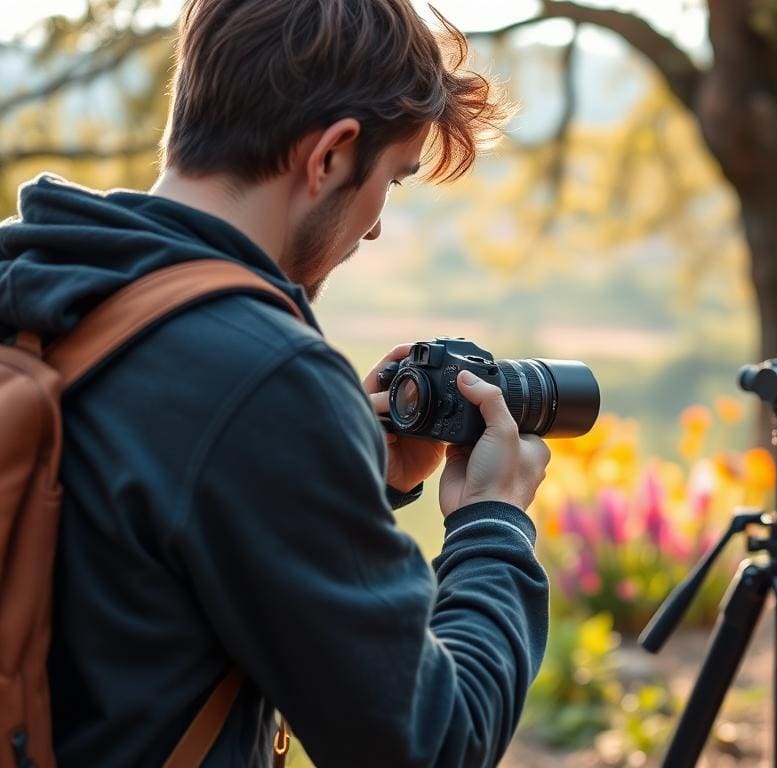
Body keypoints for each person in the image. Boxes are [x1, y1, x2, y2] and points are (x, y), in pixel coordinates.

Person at [0, 1, 551, 766]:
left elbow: (113, 575)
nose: (376, 226)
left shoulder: (34, 283)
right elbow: (431, 745)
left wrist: (341, 466)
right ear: (330, 156)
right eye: (392, 177)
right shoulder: (263, 378)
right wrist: (493, 525)